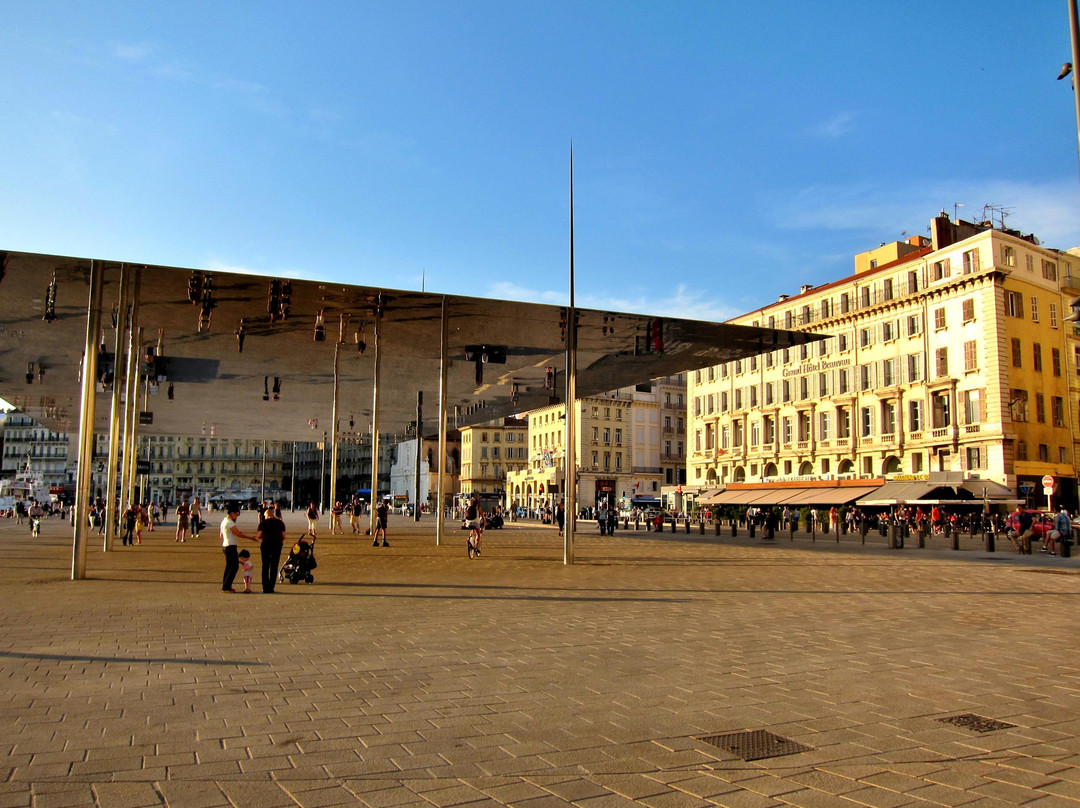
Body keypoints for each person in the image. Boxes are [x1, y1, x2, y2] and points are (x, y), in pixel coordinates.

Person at [254, 506, 287, 594]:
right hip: (277, 545)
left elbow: (259, 535)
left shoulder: (263, 523)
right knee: (274, 566)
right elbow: (284, 536)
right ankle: (271, 587)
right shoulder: (280, 523)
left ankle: (265, 587)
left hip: (266, 545)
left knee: (265, 566)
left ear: (266, 515)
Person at [220, 505, 252, 593]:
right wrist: (250, 538)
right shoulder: (230, 522)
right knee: (234, 567)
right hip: (231, 546)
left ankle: (226, 585)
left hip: (225, 545)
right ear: (232, 513)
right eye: (236, 514)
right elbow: (238, 533)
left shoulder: (224, 521)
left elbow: (221, 535)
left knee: (229, 567)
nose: (236, 516)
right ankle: (226, 586)